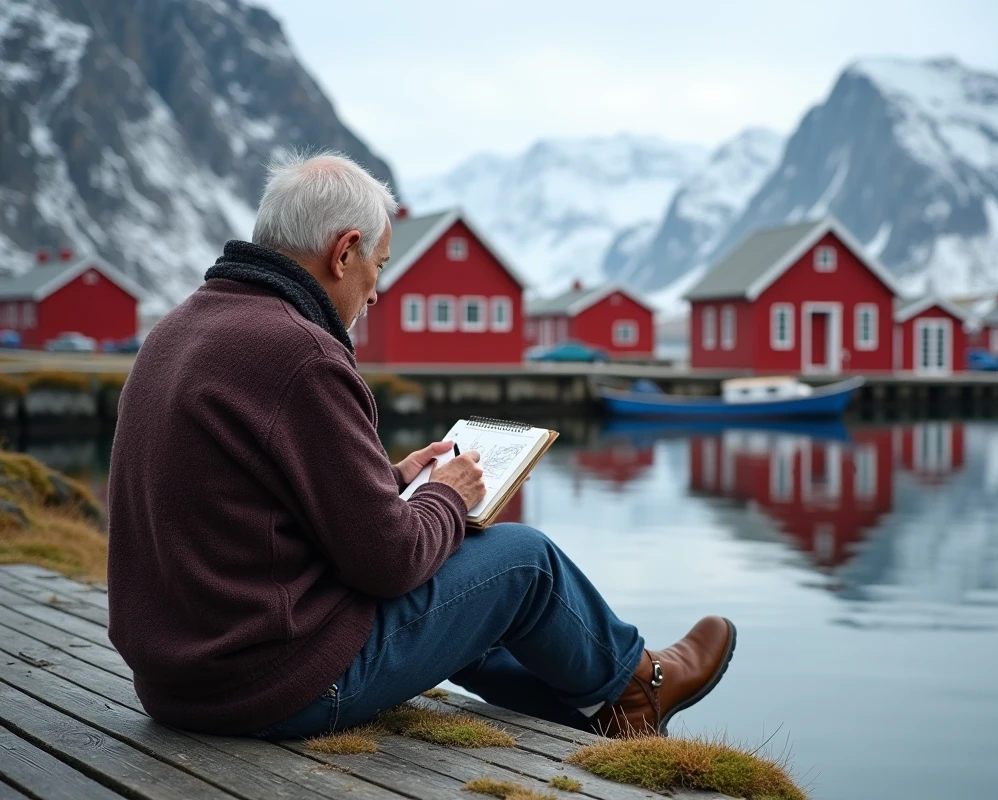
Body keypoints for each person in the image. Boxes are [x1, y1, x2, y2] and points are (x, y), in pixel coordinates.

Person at [106, 151, 736, 740]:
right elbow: (389, 562)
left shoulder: (179, 329)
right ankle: (641, 687)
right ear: (344, 251)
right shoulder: (301, 353)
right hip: (275, 684)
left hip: (181, 682)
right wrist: (442, 495)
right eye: (379, 265)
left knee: (462, 576)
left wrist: (385, 479)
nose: (376, 291)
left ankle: (589, 713)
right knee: (522, 560)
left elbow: (256, 495)